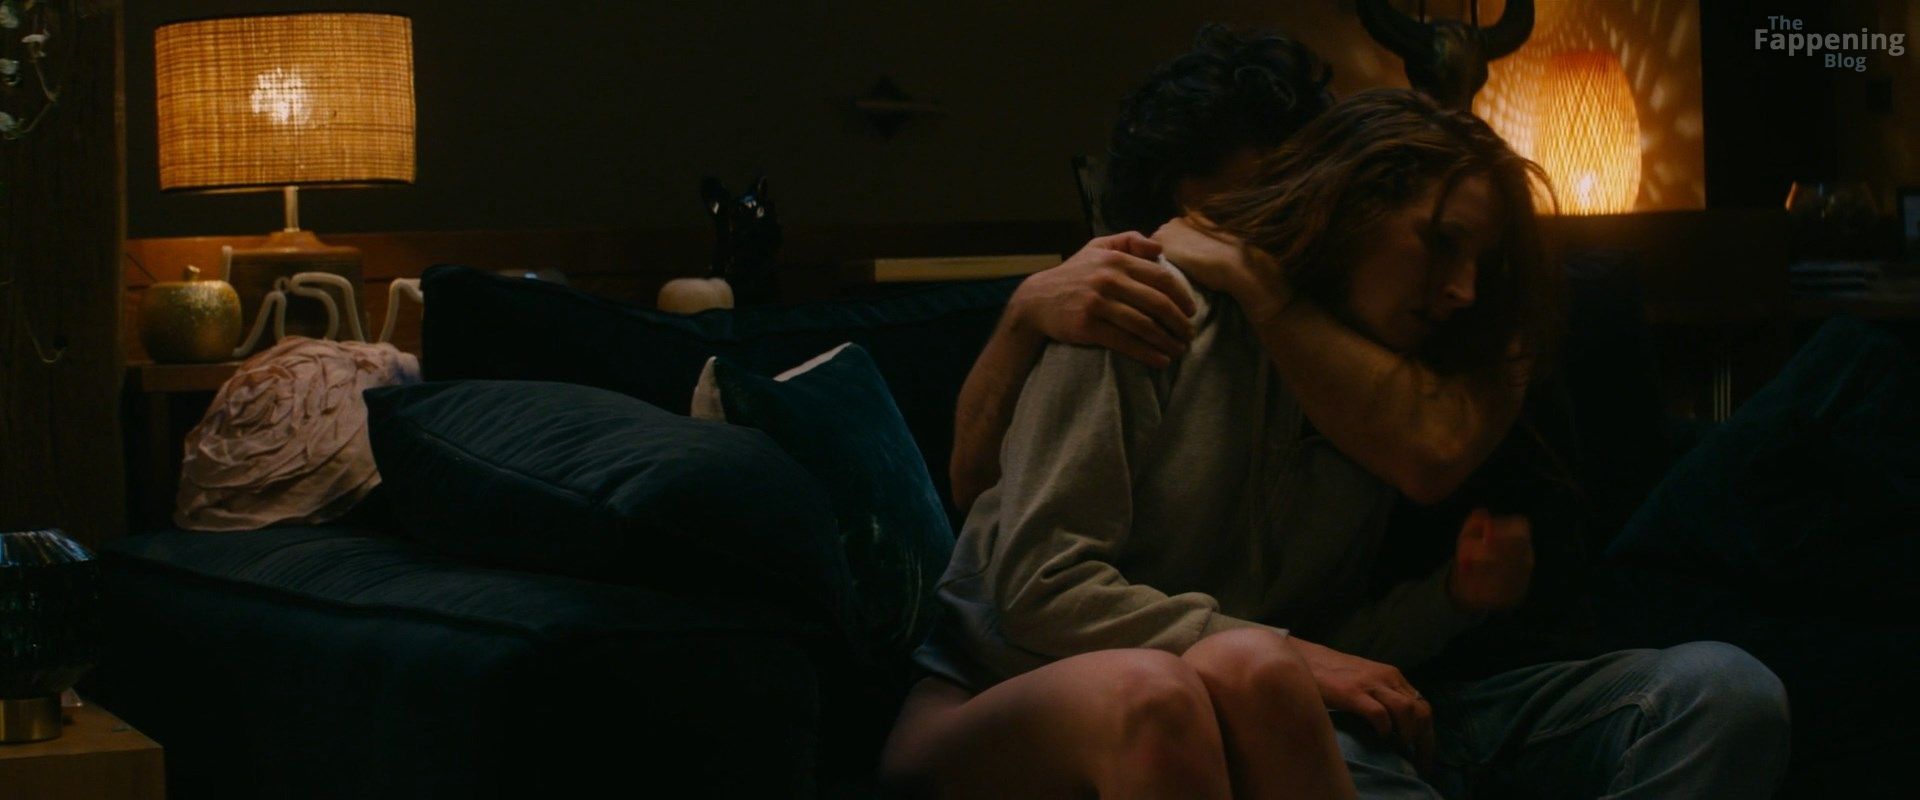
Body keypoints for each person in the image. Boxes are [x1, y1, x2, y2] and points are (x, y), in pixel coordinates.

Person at [881, 89, 1791, 799]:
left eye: (1481, 264)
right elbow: (1038, 583)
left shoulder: (1388, 384)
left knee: (1727, 691)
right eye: (1441, 245)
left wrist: (1451, 601)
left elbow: (1333, 647)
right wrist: (1300, 659)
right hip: (1076, 689)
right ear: (1351, 201)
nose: (1463, 290)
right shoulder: (1143, 309)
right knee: (1253, 684)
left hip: (1344, 711)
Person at [949, 24, 1333, 512]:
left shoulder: (1364, 301)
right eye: (1226, 221)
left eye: (1283, 207)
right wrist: (1023, 315)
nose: (1261, 241)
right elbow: (974, 491)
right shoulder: (1132, 307)